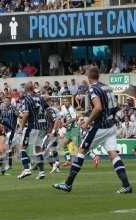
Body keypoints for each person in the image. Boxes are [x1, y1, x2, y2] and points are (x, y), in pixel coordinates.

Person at [53, 66, 132, 194]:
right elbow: (115, 105)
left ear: (88, 76)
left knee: (81, 151)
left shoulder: (93, 89)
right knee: (113, 155)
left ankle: (68, 184)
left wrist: (88, 122)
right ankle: (126, 185)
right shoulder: (106, 87)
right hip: (110, 126)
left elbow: (98, 107)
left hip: (100, 127)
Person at [17, 82, 49, 180]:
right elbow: (47, 110)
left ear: (26, 89)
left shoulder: (27, 98)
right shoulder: (40, 97)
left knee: (22, 147)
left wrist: (21, 128)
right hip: (42, 126)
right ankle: (42, 172)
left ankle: (26, 169)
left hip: (33, 126)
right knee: (38, 149)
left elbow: (26, 114)